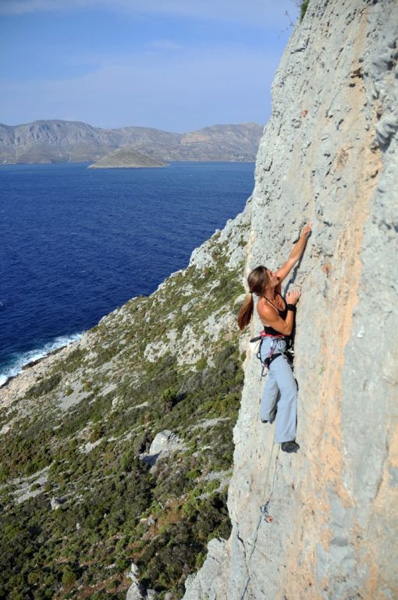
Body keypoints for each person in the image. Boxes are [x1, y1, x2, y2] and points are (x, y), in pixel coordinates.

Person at [238, 222, 312, 453]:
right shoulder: (265, 307)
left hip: (274, 346)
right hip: (274, 348)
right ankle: (285, 438)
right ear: (265, 285)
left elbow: (292, 260)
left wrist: (304, 236)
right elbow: (287, 330)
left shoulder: (274, 286)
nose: (275, 272)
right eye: (271, 274)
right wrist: (290, 304)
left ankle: (264, 414)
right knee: (288, 388)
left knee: (274, 381)